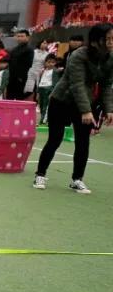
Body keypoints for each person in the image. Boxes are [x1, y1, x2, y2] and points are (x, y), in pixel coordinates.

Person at [33, 23, 113, 194]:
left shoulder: (110, 57)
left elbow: (106, 84)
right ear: (95, 41)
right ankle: (40, 174)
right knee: (55, 139)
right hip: (62, 100)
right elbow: (77, 84)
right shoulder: (79, 55)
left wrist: (109, 109)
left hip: (85, 103)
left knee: (83, 142)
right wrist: (86, 111)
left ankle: (77, 179)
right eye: (108, 39)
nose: (111, 42)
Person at [6, 28, 34, 100]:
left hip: (21, 78)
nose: (20, 38)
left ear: (27, 37)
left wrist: (20, 77)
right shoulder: (14, 49)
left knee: (18, 98)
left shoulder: (29, 49)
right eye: (18, 36)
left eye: (22, 36)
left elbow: (28, 64)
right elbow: (9, 61)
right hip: (11, 77)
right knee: (9, 97)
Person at [35, 54, 56, 124]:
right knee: (41, 105)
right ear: (45, 62)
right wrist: (38, 92)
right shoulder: (43, 71)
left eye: (53, 62)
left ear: (55, 63)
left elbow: (55, 83)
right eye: (49, 62)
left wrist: (52, 92)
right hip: (41, 89)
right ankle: (42, 118)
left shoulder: (55, 71)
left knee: (46, 106)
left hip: (48, 89)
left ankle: (44, 121)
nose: (51, 64)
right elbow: (40, 81)